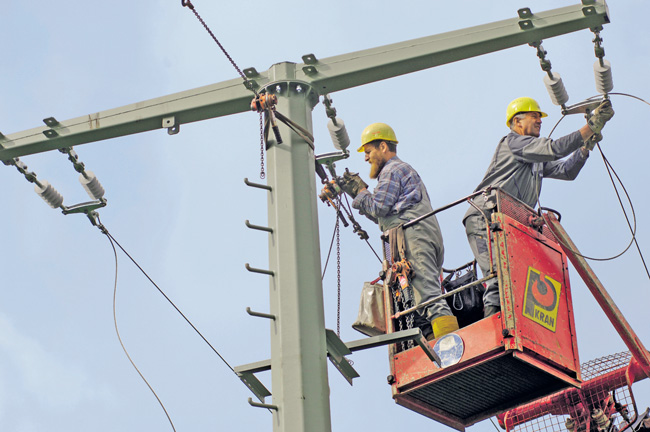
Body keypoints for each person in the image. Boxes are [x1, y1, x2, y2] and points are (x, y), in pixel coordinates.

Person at [463, 96, 615, 318]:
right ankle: (495, 326)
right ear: (517, 122)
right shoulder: (513, 143)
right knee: (498, 276)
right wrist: (590, 127)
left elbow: (567, 171)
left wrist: (585, 147)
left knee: (513, 278)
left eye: (540, 117)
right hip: (484, 218)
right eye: (534, 116)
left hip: (505, 223)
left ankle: (506, 325)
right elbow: (554, 149)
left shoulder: (534, 158)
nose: (540, 120)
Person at [341, 122, 458, 340]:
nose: (366, 158)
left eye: (368, 152)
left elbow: (378, 207)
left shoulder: (392, 170)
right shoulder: (399, 171)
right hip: (418, 236)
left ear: (383, 146)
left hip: (414, 236)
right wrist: (358, 194)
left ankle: (452, 347)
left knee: (429, 298)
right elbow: (382, 214)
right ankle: (435, 343)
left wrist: (361, 191)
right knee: (419, 301)